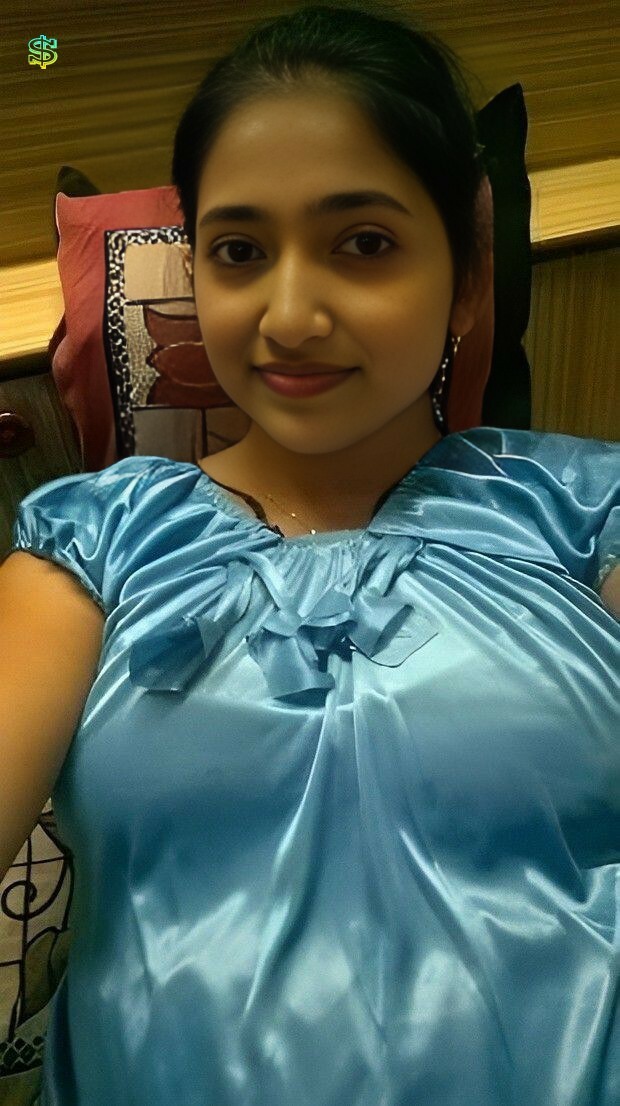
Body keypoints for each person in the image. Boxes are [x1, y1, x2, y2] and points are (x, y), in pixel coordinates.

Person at [1, 4, 618, 1104]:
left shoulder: (586, 513)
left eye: (363, 244)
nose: (288, 316)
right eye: (240, 252)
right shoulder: (88, 550)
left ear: (467, 280)